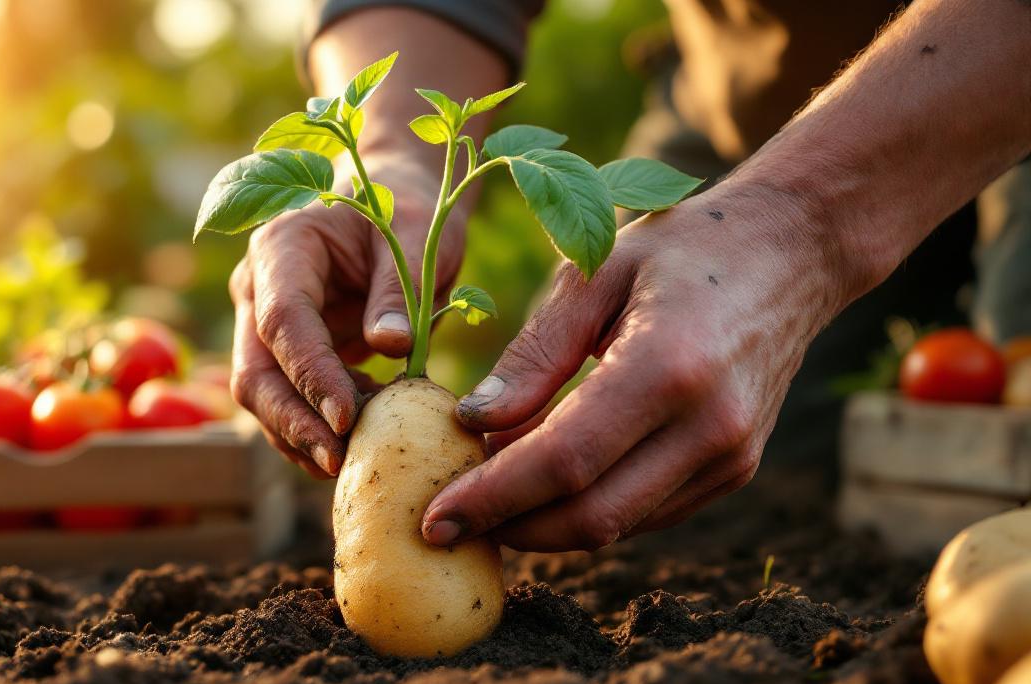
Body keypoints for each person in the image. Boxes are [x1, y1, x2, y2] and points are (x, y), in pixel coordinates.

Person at [228, 0, 1031, 552]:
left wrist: (810, 219)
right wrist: (391, 150)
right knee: (684, 475)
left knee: (1001, 471)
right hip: (750, 94)